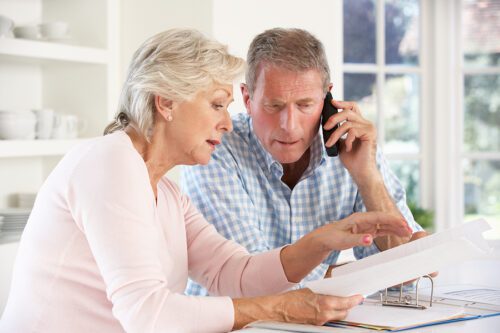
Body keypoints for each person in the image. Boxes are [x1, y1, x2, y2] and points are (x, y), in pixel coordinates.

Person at [0, 29, 412, 333]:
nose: (226, 123)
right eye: (217, 104)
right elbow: (148, 315)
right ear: (167, 102)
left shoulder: (164, 190)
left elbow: (231, 272)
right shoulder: (110, 162)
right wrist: (284, 308)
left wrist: (320, 242)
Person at [182, 27, 427, 297]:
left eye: (305, 105)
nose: (289, 125)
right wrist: (354, 276)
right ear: (248, 99)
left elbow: (408, 273)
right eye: (274, 106)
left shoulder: (352, 146)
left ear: (326, 100)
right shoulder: (216, 148)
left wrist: (367, 175)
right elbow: (251, 280)